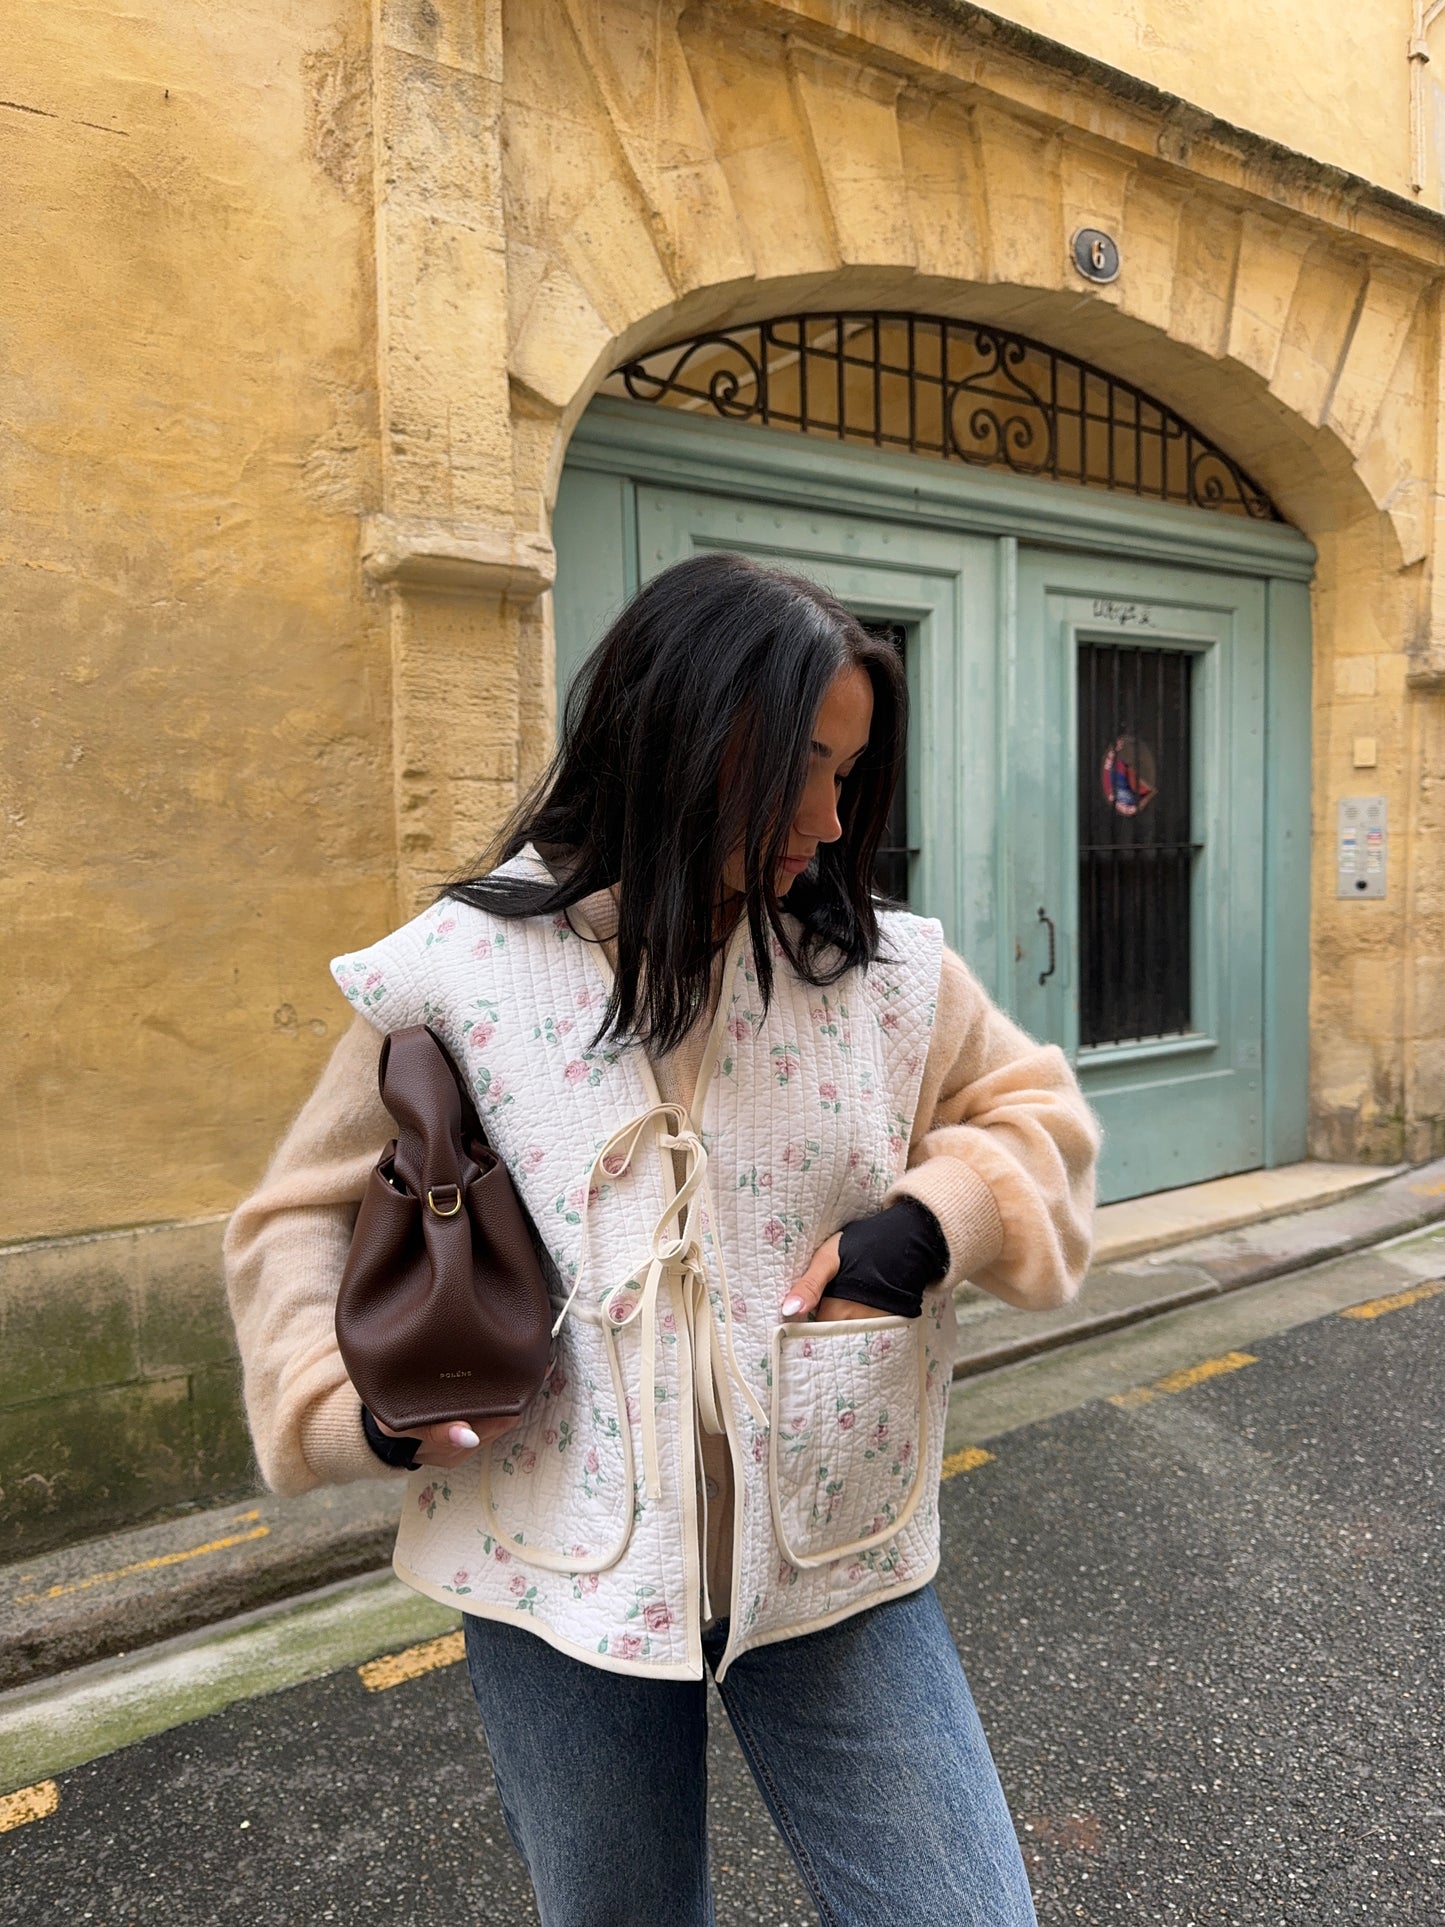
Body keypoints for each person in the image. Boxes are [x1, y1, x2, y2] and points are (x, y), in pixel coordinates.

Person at [225, 551, 1100, 1926]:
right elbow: (297, 1217)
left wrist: (929, 1224)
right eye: (802, 765)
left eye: (847, 773)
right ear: (680, 734)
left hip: (837, 1547)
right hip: (552, 1562)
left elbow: (1032, 1115)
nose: (827, 814)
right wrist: (358, 1414)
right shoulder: (455, 970)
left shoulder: (880, 973)